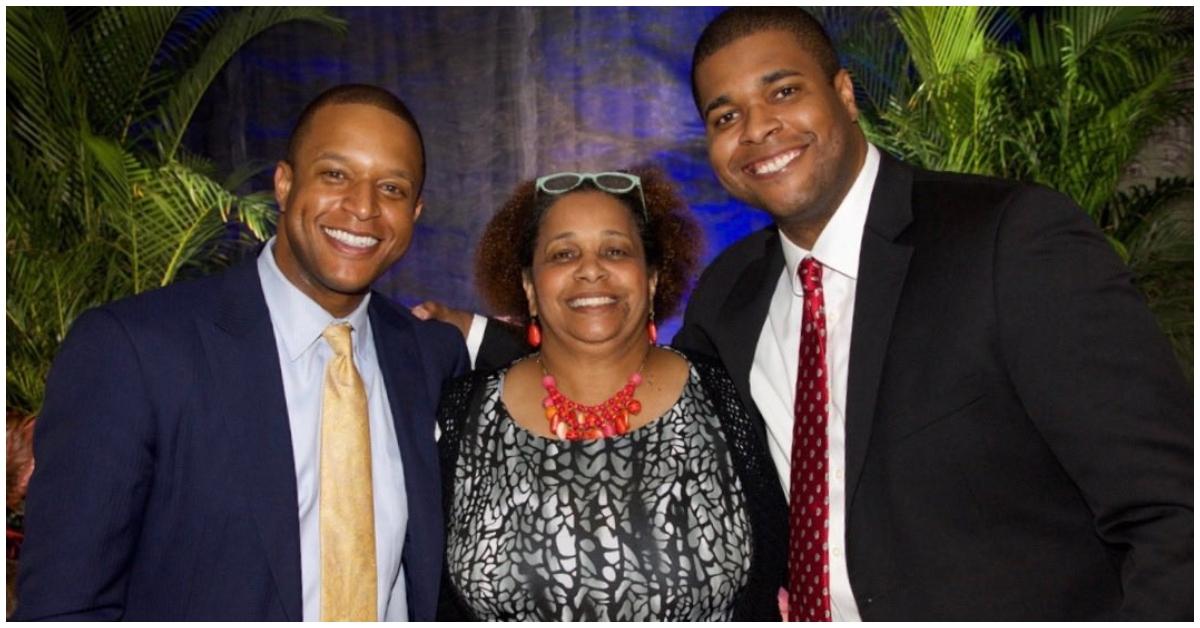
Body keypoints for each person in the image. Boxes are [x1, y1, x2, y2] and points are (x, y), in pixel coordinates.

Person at [423, 8, 1192, 621]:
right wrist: (475, 341)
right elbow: (627, 385)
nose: (757, 129)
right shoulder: (734, 292)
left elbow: (1171, 508)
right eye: (725, 115)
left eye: (782, 91)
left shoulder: (1007, 239)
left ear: (846, 93)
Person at [13, 84, 468, 621]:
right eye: (335, 174)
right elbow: (65, 606)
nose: (363, 207)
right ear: (283, 183)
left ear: (415, 212)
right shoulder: (133, 351)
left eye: (391, 188)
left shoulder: (430, 359)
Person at [434, 167, 788, 621]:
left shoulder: (734, 400)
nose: (590, 269)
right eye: (563, 254)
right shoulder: (460, 415)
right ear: (529, 288)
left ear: (653, 278)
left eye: (615, 250)